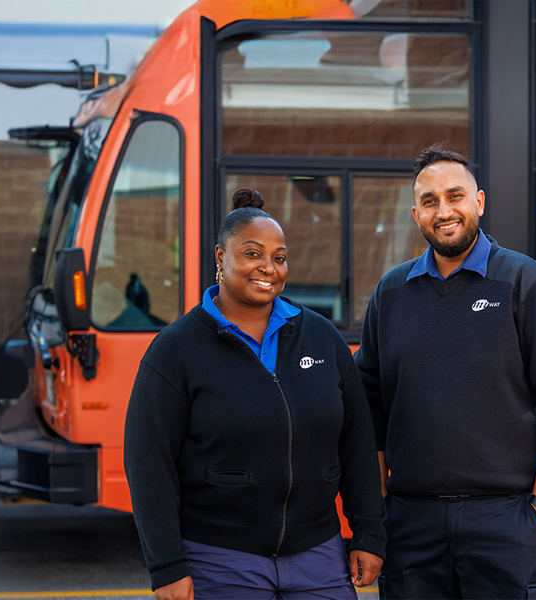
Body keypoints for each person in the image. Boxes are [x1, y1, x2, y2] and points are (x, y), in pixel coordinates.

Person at [354, 146, 536, 599]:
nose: (444, 211)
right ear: (416, 213)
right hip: (411, 522)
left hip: (504, 520)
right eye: (430, 201)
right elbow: (370, 400)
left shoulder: (527, 282)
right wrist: (379, 507)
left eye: (455, 196)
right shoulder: (391, 292)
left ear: (479, 202)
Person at [124, 188, 386, 600]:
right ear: (220, 257)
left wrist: (369, 532)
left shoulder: (321, 338)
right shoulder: (176, 350)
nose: (268, 267)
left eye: (279, 257)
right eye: (252, 253)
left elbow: (357, 441)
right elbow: (148, 463)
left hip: (318, 554)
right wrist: (167, 565)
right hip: (219, 558)